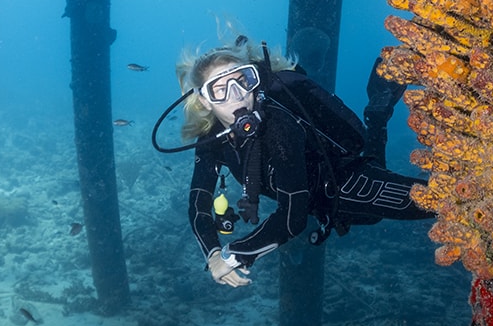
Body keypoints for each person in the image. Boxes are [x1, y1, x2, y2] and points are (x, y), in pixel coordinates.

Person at [176, 37, 432, 287]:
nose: (238, 96)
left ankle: (377, 113)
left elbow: (292, 217)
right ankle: (377, 116)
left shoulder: (278, 125)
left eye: (243, 81)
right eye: (220, 90)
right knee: (373, 218)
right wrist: (212, 254)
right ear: (204, 101)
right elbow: (199, 204)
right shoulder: (211, 139)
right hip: (318, 205)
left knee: (441, 202)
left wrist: (234, 255)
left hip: (344, 180)